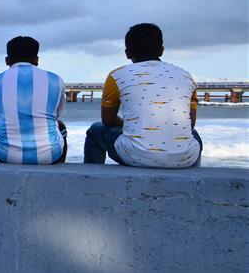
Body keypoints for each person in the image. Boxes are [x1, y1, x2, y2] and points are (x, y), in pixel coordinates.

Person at [84, 23, 201, 168]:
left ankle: (92, 176)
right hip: (185, 159)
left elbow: (107, 119)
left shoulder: (117, 76)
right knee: (193, 135)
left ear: (127, 53)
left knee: (96, 130)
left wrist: (128, 125)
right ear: (161, 50)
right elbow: (190, 124)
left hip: (135, 156)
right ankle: (192, 180)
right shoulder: (186, 77)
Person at [0, 36, 67, 164]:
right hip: (49, 156)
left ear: (7, 60)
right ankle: (59, 172)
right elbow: (57, 114)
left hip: (5, 154)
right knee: (61, 126)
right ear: (36, 60)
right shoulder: (56, 80)